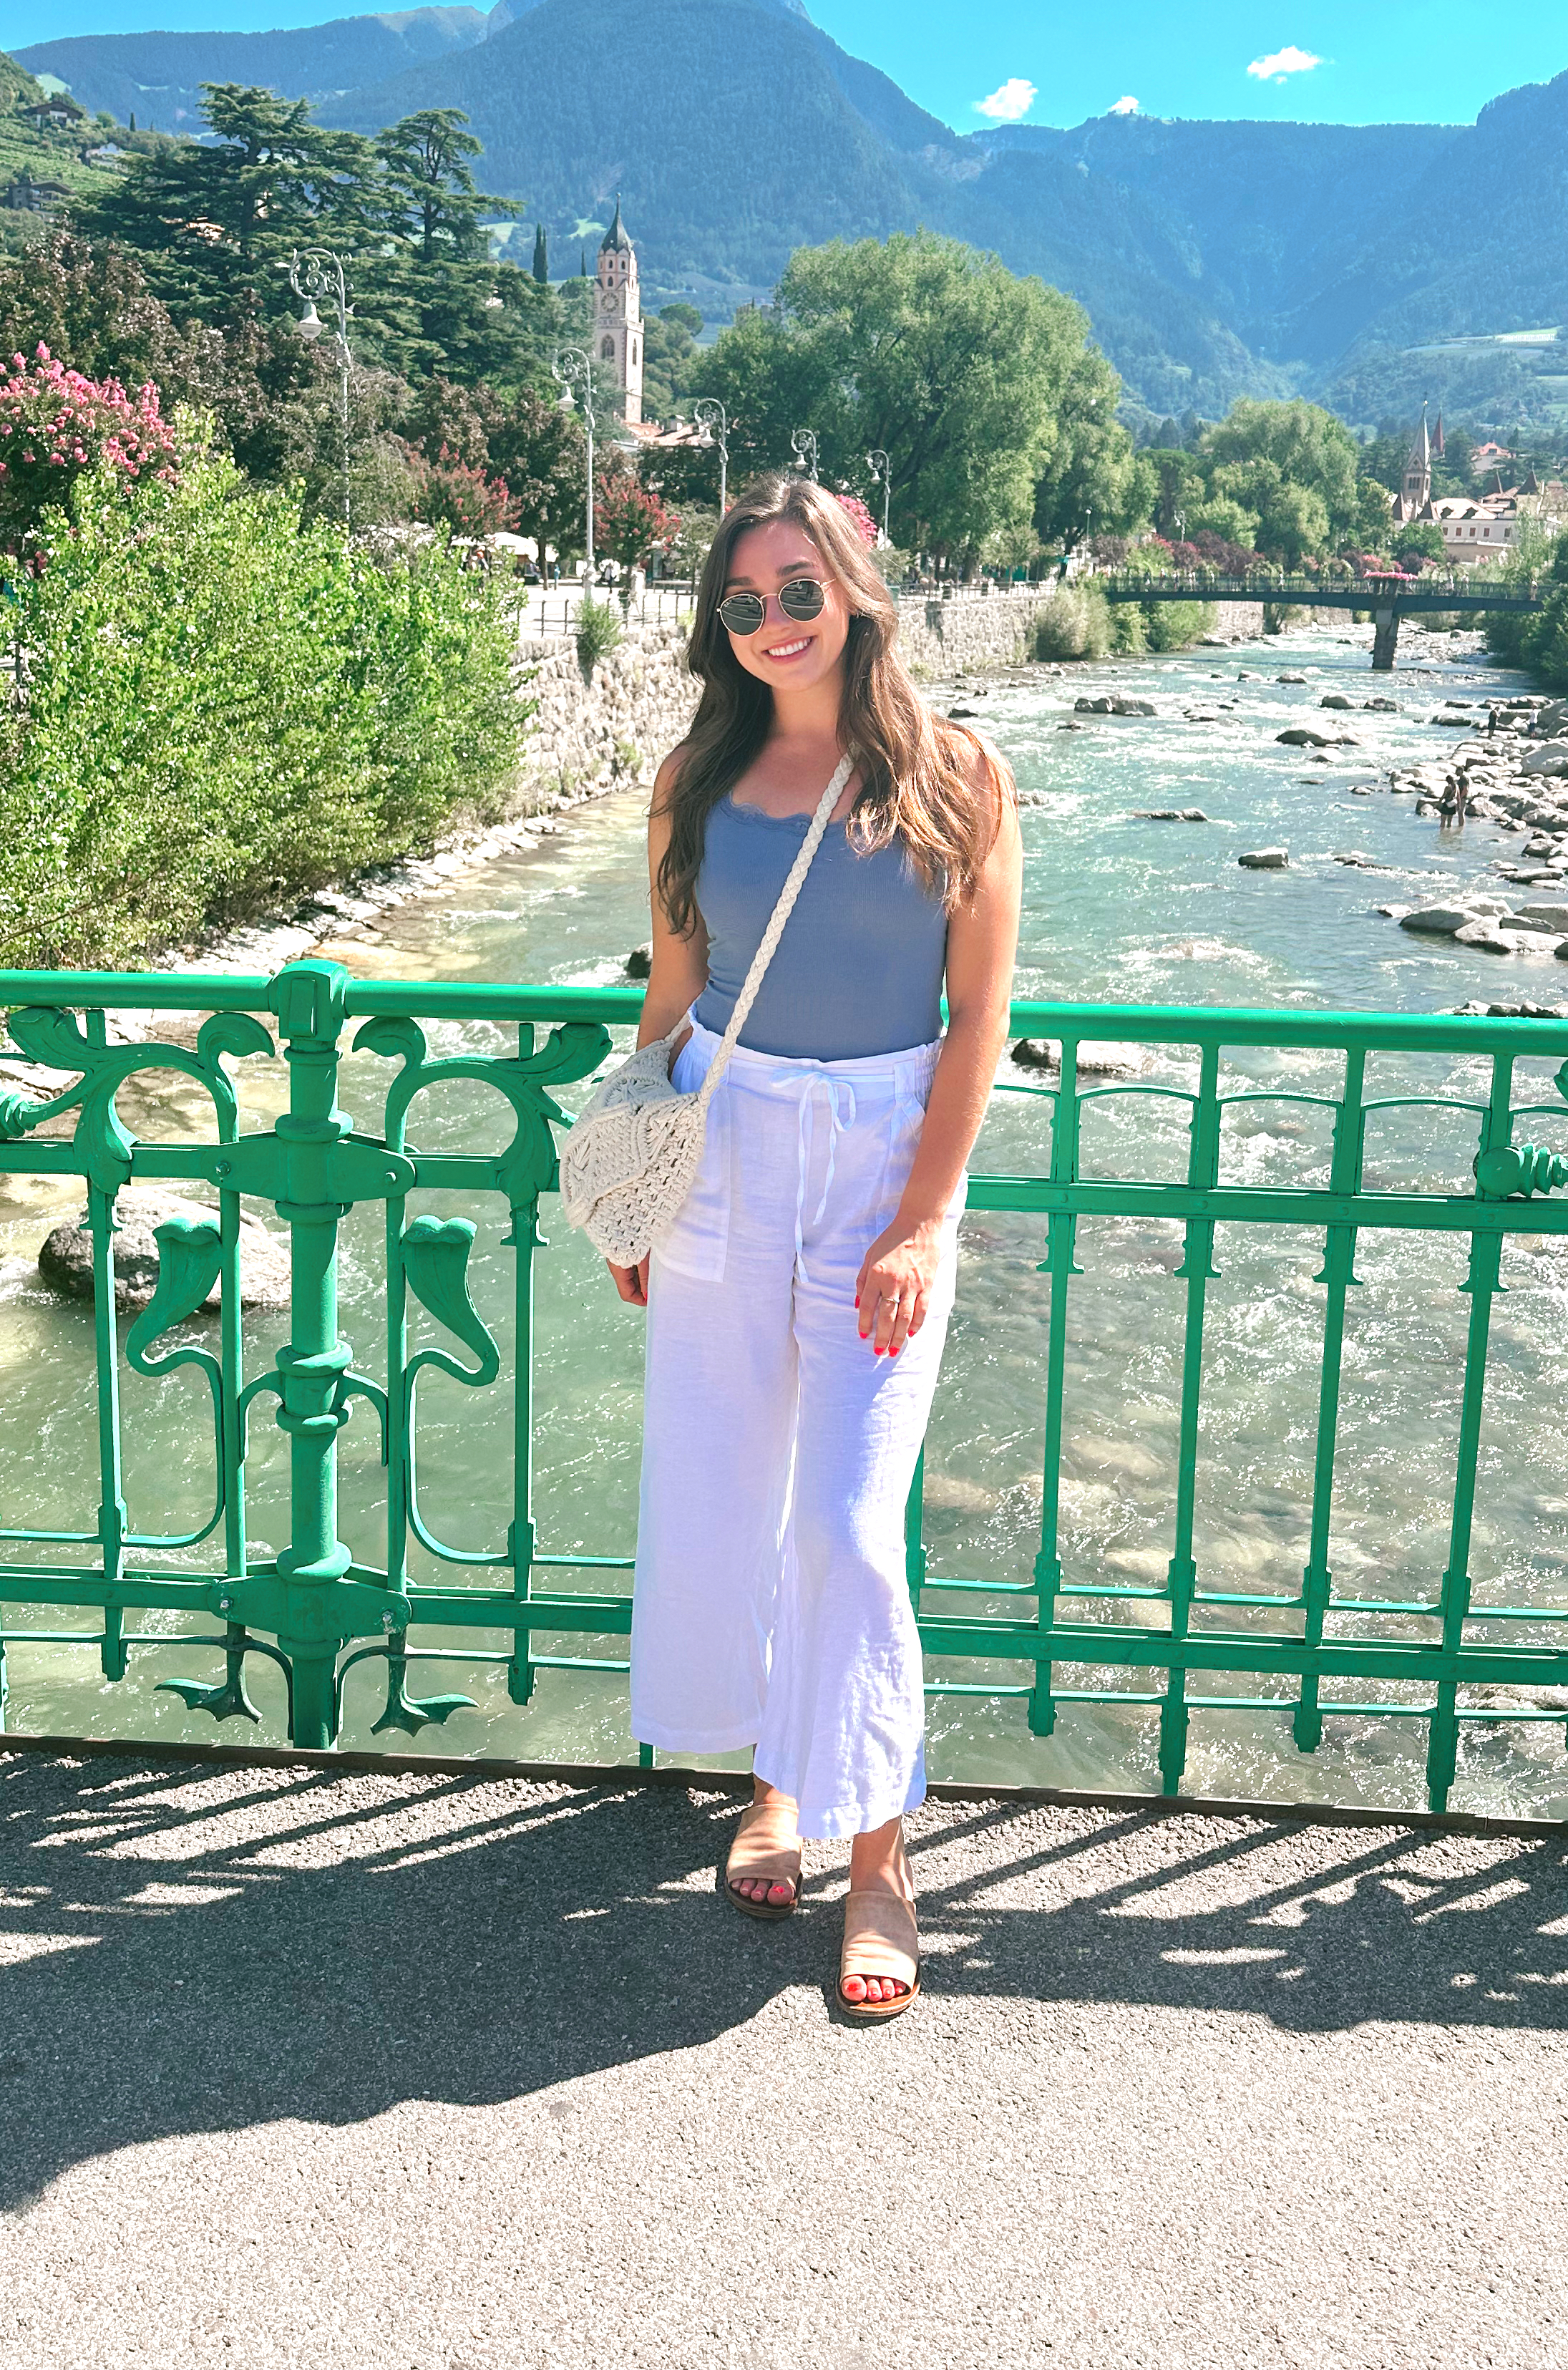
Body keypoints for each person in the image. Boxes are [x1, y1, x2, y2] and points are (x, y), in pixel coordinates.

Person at [610, 474, 1023, 2023]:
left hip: (877, 1159)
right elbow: (672, 995)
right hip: (722, 1140)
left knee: (850, 1518)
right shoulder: (691, 783)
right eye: (743, 603)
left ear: (857, 590)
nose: (775, 623)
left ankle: (883, 1856)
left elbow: (979, 1013)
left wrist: (925, 1215)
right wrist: (639, 1189)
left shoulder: (956, 777)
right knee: (733, 1497)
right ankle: (775, 1791)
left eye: (799, 590)